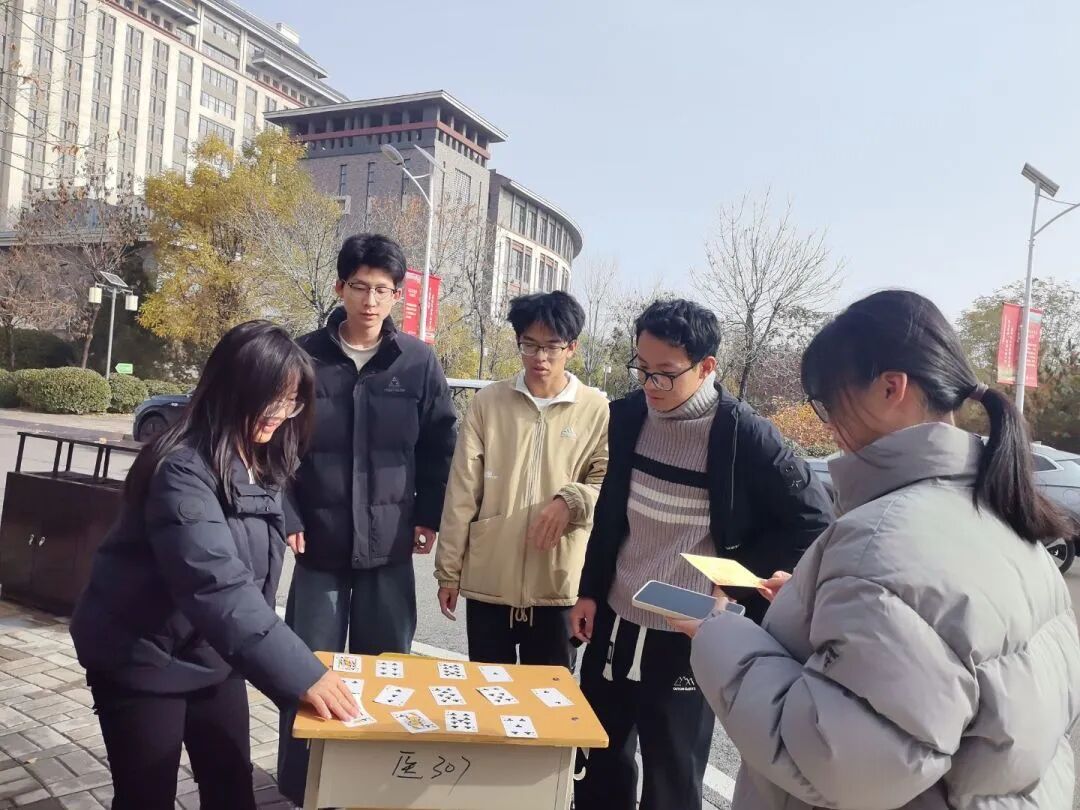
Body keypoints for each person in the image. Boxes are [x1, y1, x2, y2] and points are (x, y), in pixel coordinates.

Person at [681, 290, 1080, 809]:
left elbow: (836, 760)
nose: (829, 424)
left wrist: (720, 633)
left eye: (829, 402)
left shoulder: (881, 541)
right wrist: (809, 607)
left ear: (892, 387)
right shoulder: (1006, 516)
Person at [70, 321, 359, 810]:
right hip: (141, 656)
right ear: (232, 388)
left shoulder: (261, 459)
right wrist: (303, 674)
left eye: (291, 402)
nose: (279, 414)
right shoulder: (181, 468)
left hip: (213, 650)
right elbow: (216, 584)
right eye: (270, 399)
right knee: (146, 797)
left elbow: (247, 582)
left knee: (231, 787)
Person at [570, 298, 834, 810]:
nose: (651, 384)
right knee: (600, 759)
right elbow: (610, 516)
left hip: (690, 629)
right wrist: (589, 592)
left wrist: (734, 583)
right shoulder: (627, 416)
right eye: (642, 368)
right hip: (617, 617)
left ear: (707, 366)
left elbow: (812, 519)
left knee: (673, 773)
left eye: (666, 373)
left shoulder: (743, 434)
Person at [277, 233, 457, 803]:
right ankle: (302, 785)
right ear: (340, 288)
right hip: (318, 544)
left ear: (397, 295)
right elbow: (276, 444)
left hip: (390, 545)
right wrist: (287, 513)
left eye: (383, 289)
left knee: (388, 674)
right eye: (360, 287)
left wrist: (428, 513)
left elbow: (440, 445)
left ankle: (375, 788)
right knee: (308, 670)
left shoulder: (418, 362)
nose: (371, 300)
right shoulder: (303, 357)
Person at [434, 291, 608, 670]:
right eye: (529, 345)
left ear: (572, 348)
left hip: (558, 585)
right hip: (490, 583)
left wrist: (572, 500)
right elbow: (463, 491)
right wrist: (448, 571)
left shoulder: (597, 410)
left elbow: (607, 487)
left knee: (547, 698)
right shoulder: (489, 403)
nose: (539, 357)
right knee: (486, 693)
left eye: (552, 346)